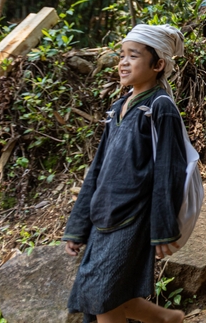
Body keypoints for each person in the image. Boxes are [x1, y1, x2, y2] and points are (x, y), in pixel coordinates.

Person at [63, 24, 189, 323]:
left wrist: (162, 229)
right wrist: (78, 226)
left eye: (133, 56)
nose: (123, 62)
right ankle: (170, 319)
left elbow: (168, 171)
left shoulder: (159, 107)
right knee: (108, 299)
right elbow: (97, 170)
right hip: (102, 218)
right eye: (122, 55)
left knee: (104, 299)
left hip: (132, 219)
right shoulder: (118, 107)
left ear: (158, 64)